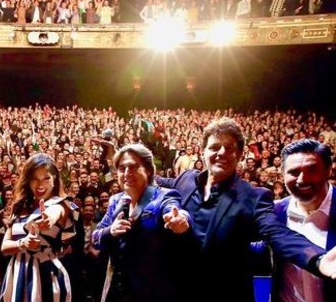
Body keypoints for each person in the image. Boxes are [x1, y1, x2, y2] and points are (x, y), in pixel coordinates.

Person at [157, 118, 336, 302]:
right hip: (178, 292)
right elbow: (157, 182)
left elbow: (277, 233)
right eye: (214, 147)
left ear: (240, 154)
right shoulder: (185, 179)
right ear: (203, 151)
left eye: (229, 148)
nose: (221, 153)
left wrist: (318, 259)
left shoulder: (254, 197)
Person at [92, 143, 195, 302]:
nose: (127, 173)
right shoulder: (116, 201)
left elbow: (174, 211)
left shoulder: (163, 197)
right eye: (122, 168)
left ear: (148, 170)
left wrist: (181, 219)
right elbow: (96, 238)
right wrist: (110, 231)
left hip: (155, 292)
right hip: (118, 291)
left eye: (133, 167)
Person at [0, 153, 79, 302]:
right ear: (28, 181)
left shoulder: (61, 204)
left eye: (46, 178)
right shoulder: (19, 207)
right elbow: (4, 247)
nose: (40, 184)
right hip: (16, 273)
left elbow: (54, 213)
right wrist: (21, 243)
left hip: (44, 275)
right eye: (35, 178)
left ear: (55, 179)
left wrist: (48, 219)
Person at [270, 139, 336, 302]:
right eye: (293, 172)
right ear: (282, 174)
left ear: (328, 170)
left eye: (312, 170)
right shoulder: (273, 212)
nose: (302, 179)